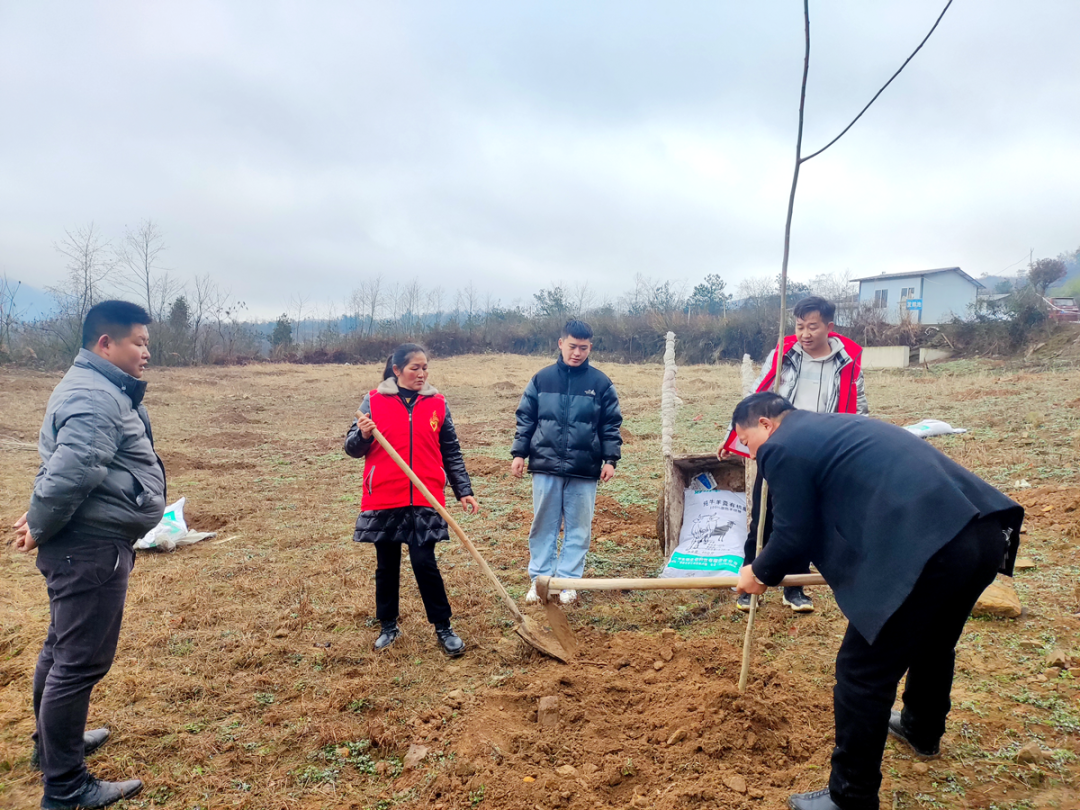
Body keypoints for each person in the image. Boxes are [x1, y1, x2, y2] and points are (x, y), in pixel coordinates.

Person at [731, 392, 1023, 810]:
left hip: (931, 550)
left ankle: (850, 797)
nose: (749, 452)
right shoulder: (836, 428)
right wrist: (762, 561)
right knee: (934, 642)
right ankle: (923, 729)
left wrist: (758, 573)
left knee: (861, 673)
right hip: (982, 533)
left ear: (765, 423)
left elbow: (792, 536)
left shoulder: (781, 445)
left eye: (746, 441)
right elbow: (789, 522)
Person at [11, 300, 166, 810]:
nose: (147, 352)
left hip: (85, 543)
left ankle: (52, 746)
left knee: (60, 650)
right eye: (139, 342)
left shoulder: (95, 386)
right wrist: (38, 521)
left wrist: (40, 519)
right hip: (90, 549)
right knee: (77, 663)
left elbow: (75, 467)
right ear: (106, 344)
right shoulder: (95, 395)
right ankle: (66, 787)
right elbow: (74, 469)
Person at [721, 295, 867, 614]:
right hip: (780, 447)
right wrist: (734, 435)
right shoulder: (784, 354)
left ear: (829, 326)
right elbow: (756, 396)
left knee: (807, 519)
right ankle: (750, 580)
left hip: (823, 453)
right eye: (799, 326)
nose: (804, 333)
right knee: (764, 516)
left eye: (812, 326)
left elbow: (858, 407)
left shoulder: (847, 361)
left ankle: (795, 588)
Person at [345, 343, 479, 656]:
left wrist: (464, 491)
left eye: (424, 368)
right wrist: (363, 435)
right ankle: (388, 625)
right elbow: (351, 448)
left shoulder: (437, 403)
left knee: (424, 561)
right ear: (397, 370)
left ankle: (443, 627)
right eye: (414, 368)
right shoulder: (373, 401)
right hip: (385, 495)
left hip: (425, 494)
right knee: (387, 564)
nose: (421, 374)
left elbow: (451, 451)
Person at [511, 320, 623, 605]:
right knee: (543, 525)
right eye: (572, 346)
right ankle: (540, 581)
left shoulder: (600, 383)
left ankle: (568, 582)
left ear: (590, 347)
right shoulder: (542, 379)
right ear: (561, 343)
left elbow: (611, 424)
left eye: (583, 348)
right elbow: (526, 419)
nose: (577, 353)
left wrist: (610, 459)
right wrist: (519, 454)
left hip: (585, 468)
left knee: (578, 528)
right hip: (545, 464)